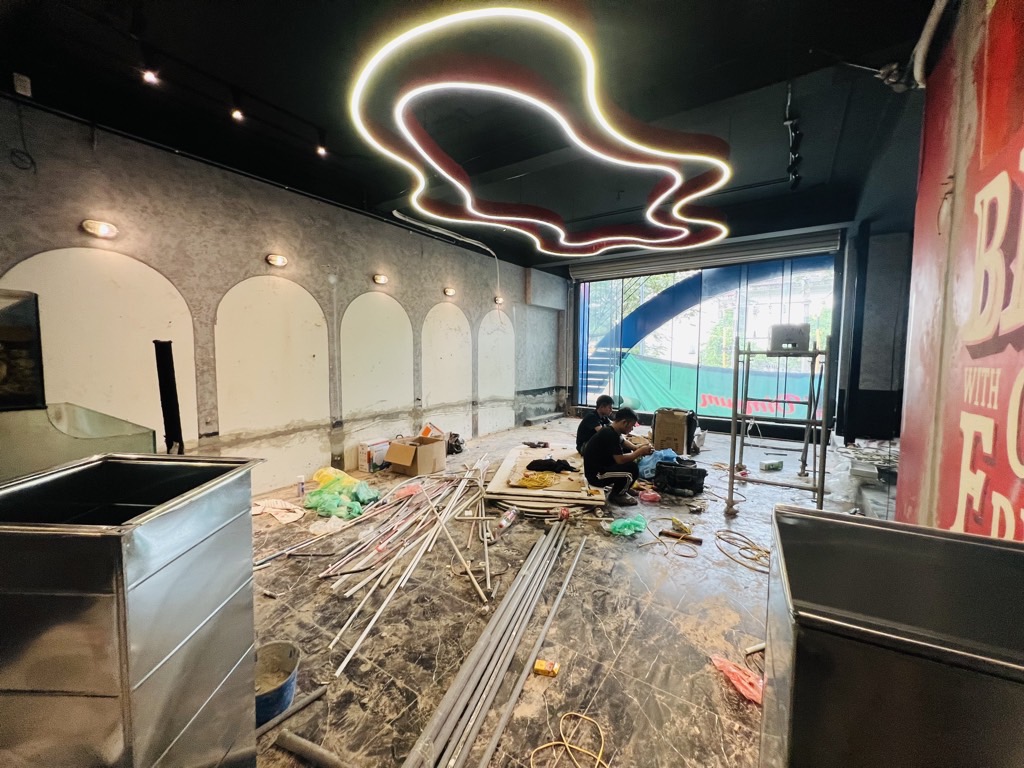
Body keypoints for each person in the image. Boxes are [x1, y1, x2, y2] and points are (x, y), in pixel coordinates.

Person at [582, 407, 652, 506]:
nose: (631, 429)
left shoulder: (611, 430)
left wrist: (636, 448)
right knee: (631, 470)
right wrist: (639, 452)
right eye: (631, 426)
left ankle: (623, 488)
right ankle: (618, 495)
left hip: (602, 467)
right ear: (624, 422)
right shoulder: (609, 434)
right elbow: (620, 460)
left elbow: (623, 442)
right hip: (596, 476)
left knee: (629, 457)